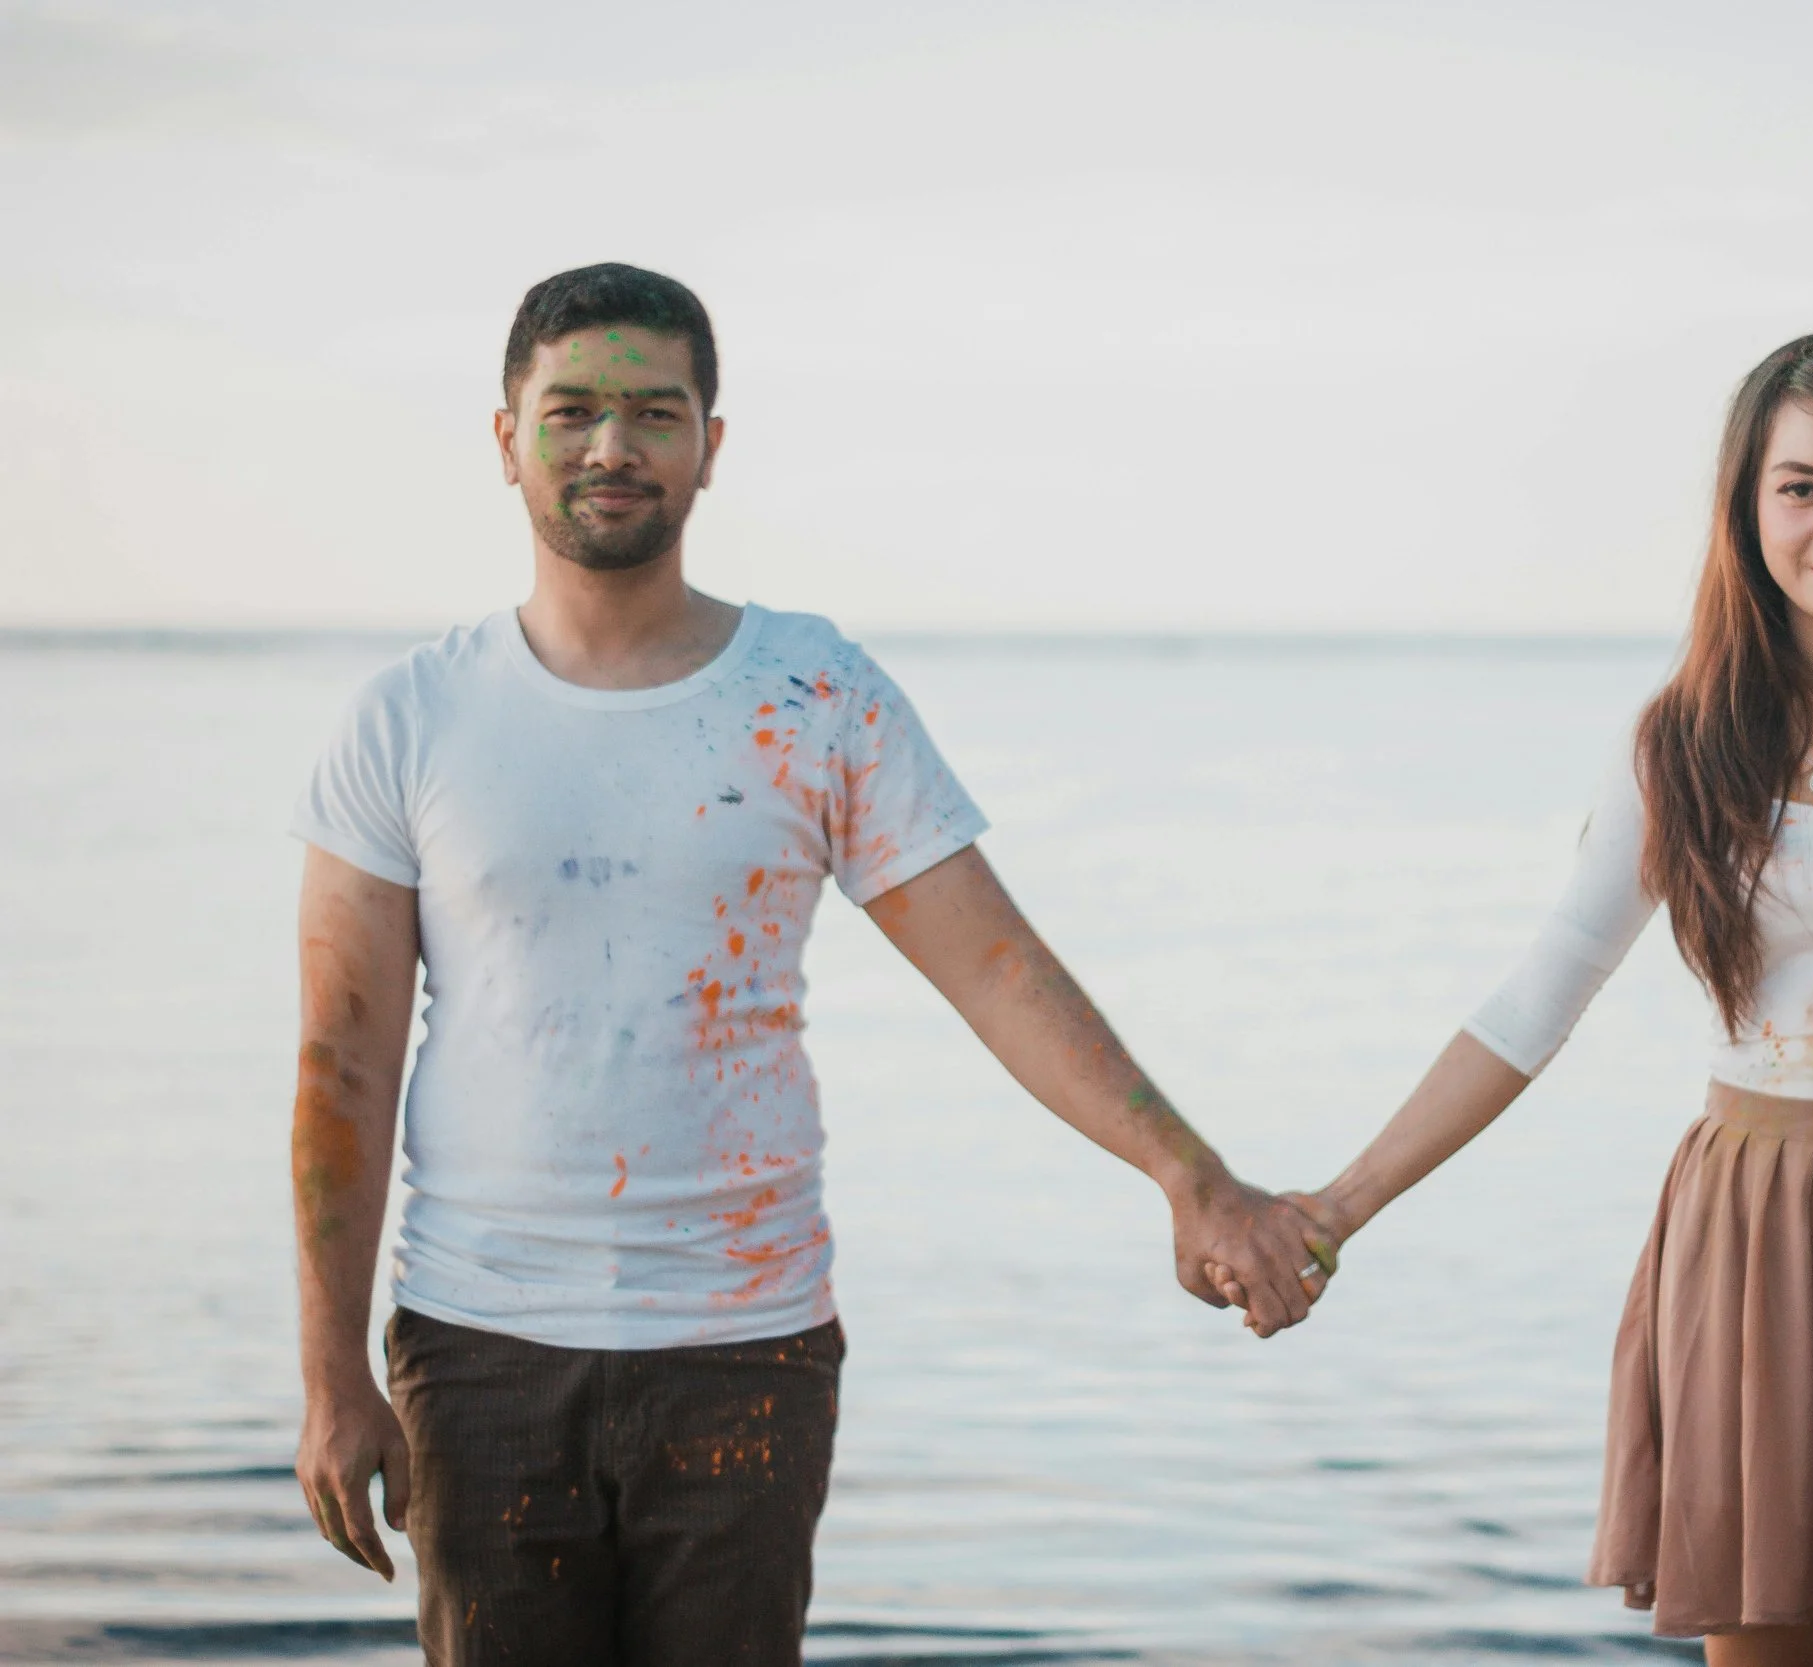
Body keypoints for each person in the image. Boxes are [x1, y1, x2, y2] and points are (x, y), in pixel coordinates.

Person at [288, 262, 1334, 1665]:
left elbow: (997, 969)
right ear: (505, 438)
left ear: (712, 444)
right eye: (573, 411)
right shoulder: (407, 719)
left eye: (655, 412)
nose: (613, 447)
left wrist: (1190, 1174)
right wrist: (329, 1374)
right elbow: (341, 1059)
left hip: (749, 1347)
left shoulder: (811, 690)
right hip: (481, 1343)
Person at [1213, 330, 1813, 1664]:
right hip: (1749, 1231)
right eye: (1802, 486)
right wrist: (1333, 1207)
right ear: (1747, 506)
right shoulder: (1683, 739)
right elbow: (1540, 997)